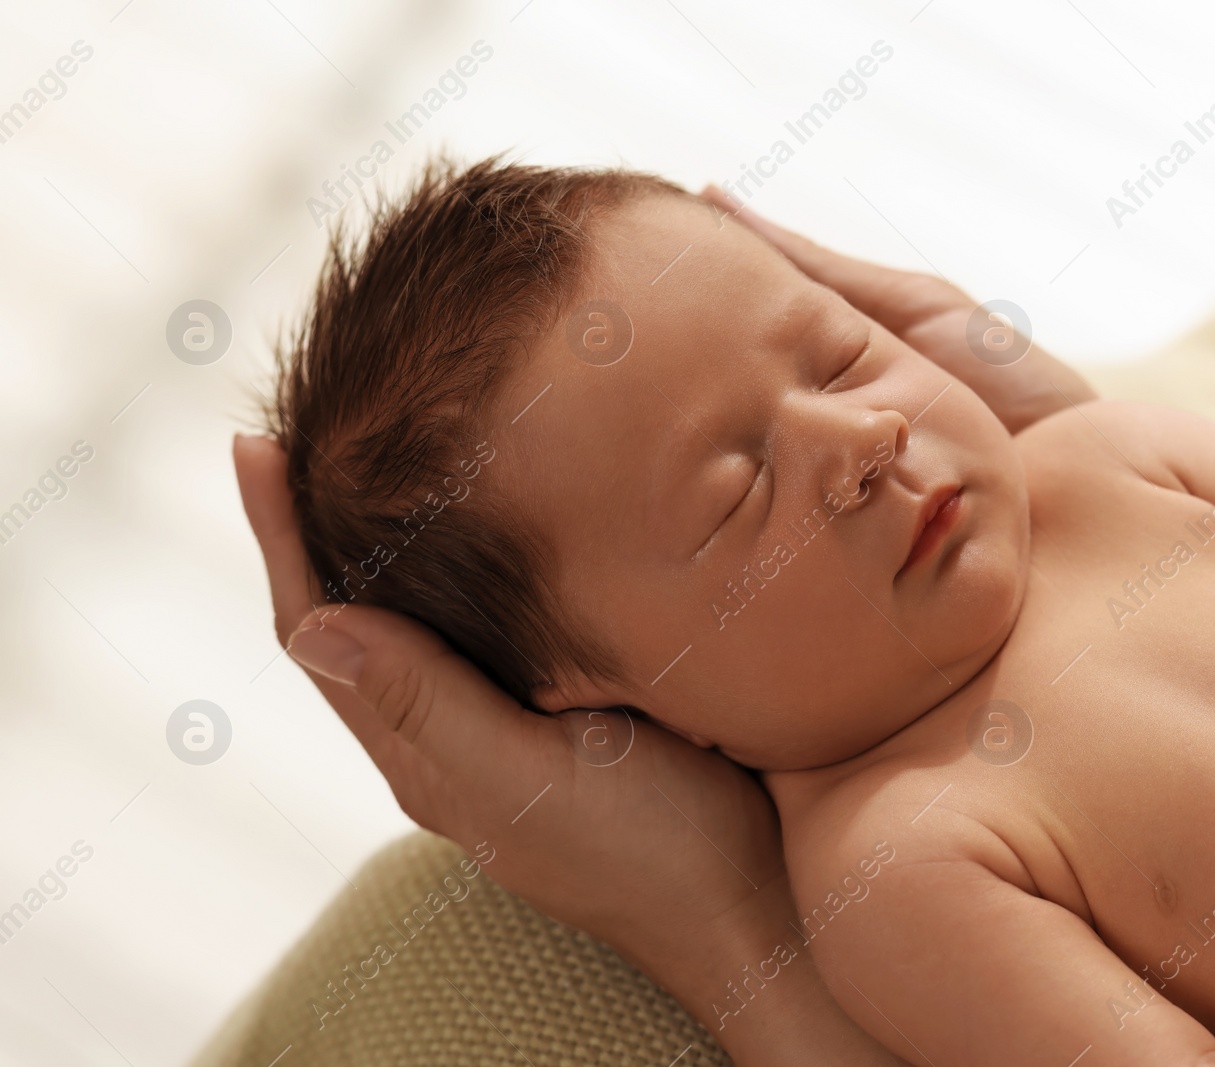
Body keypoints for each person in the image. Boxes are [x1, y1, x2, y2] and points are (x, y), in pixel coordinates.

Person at [233, 185, 1094, 1067]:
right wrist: (715, 925)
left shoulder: (1121, 462)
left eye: (840, 357)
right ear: (622, 710)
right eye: (736, 499)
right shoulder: (903, 863)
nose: (865, 432)